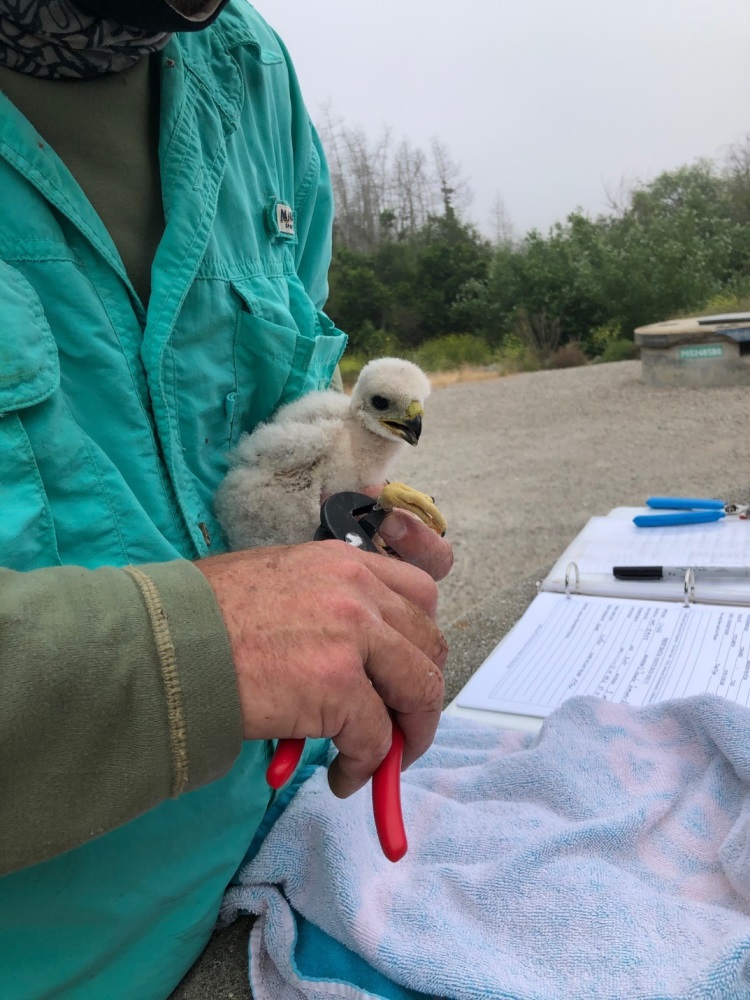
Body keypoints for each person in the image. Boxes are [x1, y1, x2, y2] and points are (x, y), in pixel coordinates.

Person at [0, 1, 453, 997]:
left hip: (288, 860)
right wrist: (196, 649)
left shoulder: (242, 67)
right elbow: (218, 626)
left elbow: (284, 412)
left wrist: (345, 548)